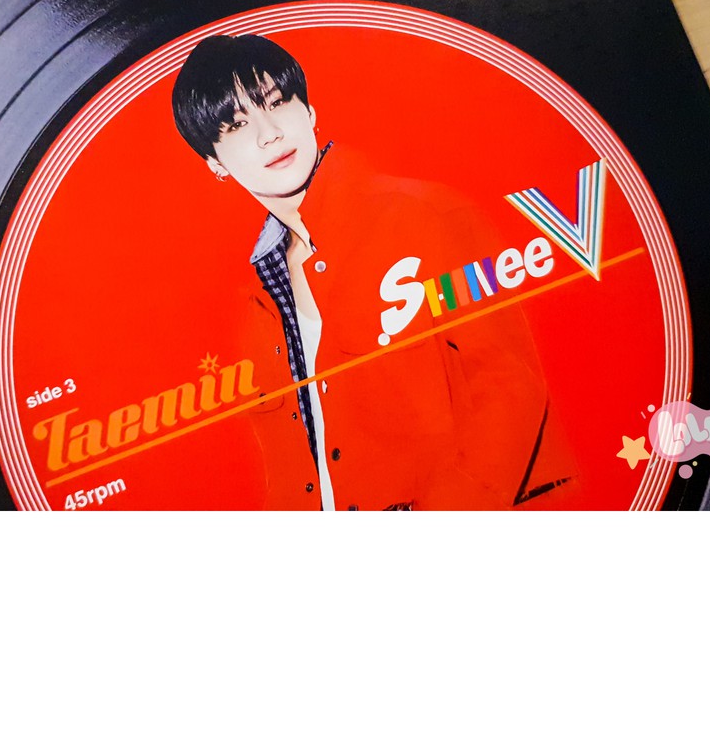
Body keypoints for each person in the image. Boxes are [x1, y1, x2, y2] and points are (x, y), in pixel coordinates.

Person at [171, 33, 575, 510]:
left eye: (277, 103)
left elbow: (508, 386)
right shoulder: (260, 301)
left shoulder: (425, 216)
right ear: (215, 163)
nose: (269, 133)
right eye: (237, 125)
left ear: (310, 112)